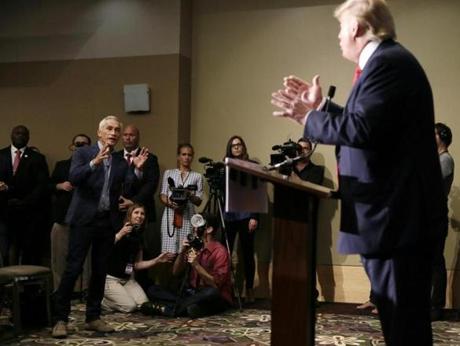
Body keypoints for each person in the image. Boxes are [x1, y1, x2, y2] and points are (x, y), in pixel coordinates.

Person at [271, 0, 447, 345]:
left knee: (405, 329)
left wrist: (308, 117)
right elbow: (371, 124)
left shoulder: (388, 65)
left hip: (397, 222)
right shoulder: (388, 63)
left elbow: (361, 129)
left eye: (340, 28)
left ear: (355, 28)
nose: (338, 36)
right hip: (394, 221)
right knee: (400, 325)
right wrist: (322, 107)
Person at [51, 115, 149, 338]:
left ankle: (93, 317)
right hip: (83, 220)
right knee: (73, 268)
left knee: (99, 270)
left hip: (106, 221)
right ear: (99, 132)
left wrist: (137, 171)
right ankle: (60, 319)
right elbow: (74, 178)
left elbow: (128, 184)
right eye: (110, 129)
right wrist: (94, 162)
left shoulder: (119, 160)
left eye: (117, 130)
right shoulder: (83, 153)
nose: (114, 133)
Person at [143, 214, 233, 318]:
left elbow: (216, 285)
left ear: (209, 229)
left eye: (198, 224)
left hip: (214, 295)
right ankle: (188, 307)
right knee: (153, 290)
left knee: (211, 292)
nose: (194, 228)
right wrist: (182, 252)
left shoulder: (220, 251)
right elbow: (175, 272)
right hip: (193, 293)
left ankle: (170, 310)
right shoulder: (194, 246)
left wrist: (196, 265)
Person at [101, 204, 175, 313]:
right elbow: (103, 249)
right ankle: (100, 300)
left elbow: (137, 264)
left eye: (142, 213)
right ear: (129, 215)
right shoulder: (117, 228)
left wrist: (157, 260)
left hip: (128, 278)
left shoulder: (139, 236)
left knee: (143, 304)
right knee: (129, 307)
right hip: (110, 278)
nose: (139, 216)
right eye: (136, 212)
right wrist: (121, 233)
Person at [114, 124, 161, 289]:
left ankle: (140, 285)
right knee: (119, 249)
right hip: (118, 212)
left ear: (138, 137)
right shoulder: (115, 157)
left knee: (141, 249)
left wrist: (133, 203)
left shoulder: (150, 158)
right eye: (125, 135)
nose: (127, 138)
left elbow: (151, 185)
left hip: (142, 213)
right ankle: (118, 284)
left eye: (131, 135)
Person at [0, 125, 49, 265]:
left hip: (28, 212)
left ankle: (26, 285)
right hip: (3, 211)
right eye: (17, 133)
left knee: (28, 251)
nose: (20, 135)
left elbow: (41, 185)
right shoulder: (1, 155)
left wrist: (25, 202)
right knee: (4, 250)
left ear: (28, 137)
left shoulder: (37, 158)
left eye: (24, 133)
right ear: (11, 135)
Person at [50, 133, 92, 290]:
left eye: (84, 144)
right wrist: (60, 185)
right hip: (63, 219)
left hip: (85, 220)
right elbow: (48, 186)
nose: (80, 146)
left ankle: (83, 292)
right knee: (60, 260)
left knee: (85, 260)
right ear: (72, 146)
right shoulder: (61, 165)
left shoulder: (95, 167)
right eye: (78, 144)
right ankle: (60, 291)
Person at [223, 135, 258, 303]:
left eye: (239, 145)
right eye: (233, 145)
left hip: (246, 215)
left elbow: (256, 193)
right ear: (229, 149)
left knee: (247, 254)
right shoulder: (225, 167)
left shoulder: (251, 166)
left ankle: (249, 290)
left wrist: (254, 216)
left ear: (243, 147)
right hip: (229, 215)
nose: (236, 148)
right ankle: (227, 290)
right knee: (226, 253)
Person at [160, 143, 203, 254]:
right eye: (183, 154)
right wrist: (171, 204)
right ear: (178, 156)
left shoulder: (197, 176)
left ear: (192, 157)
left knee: (185, 251)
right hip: (170, 215)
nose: (186, 157)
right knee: (168, 253)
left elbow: (198, 201)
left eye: (189, 155)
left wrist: (189, 195)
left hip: (188, 216)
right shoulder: (169, 173)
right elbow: (163, 195)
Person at [431, 122, 454, 321]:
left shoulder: (445, 159)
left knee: (436, 261)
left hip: (435, 219)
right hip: (427, 217)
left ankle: (436, 307)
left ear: (442, 137)